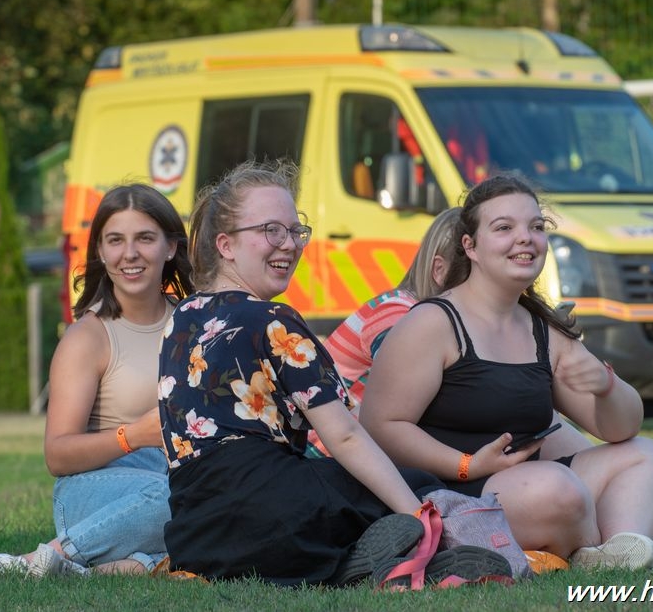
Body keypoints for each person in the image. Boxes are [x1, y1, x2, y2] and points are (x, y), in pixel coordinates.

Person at [324, 204, 653, 559]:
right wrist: (467, 464)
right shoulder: (421, 318)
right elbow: (381, 425)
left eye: (536, 227)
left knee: (645, 455)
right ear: (469, 249)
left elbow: (621, 428)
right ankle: (631, 536)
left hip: (523, 481)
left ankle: (624, 548)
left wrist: (607, 387)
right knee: (557, 487)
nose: (525, 238)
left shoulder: (540, 327)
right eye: (504, 228)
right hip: (436, 481)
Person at [157, 159, 509, 586]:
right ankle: (422, 549)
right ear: (226, 245)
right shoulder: (274, 320)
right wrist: (418, 513)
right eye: (271, 230)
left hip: (197, 535)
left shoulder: (181, 317)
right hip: (273, 513)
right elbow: (344, 436)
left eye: (295, 231)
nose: (289, 245)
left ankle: (352, 563)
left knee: (332, 493)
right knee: (412, 483)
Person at [0, 184, 194, 577]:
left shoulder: (193, 322)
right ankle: (35, 560)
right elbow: (58, 455)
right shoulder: (88, 337)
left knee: (218, 494)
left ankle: (110, 569)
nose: (129, 253)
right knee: (179, 497)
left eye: (145, 238)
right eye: (115, 240)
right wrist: (134, 435)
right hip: (96, 491)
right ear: (100, 251)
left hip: (179, 476)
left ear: (170, 247)